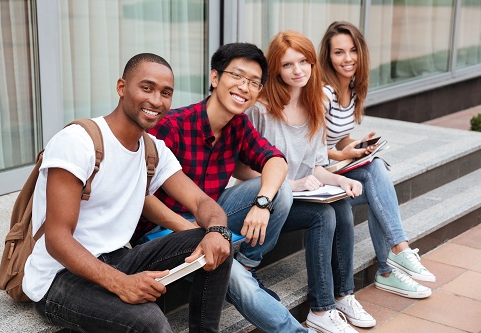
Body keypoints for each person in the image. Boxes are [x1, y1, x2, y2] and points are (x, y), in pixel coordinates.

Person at [22, 53, 233, 333]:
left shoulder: (153, 150)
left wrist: (218, 230)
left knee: (218, 242)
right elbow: (57, 239)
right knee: (150, 321)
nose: (157, 101)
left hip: (118, 258)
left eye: (165, 93)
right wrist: (121, 283)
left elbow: (201, 201)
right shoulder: (78, 142)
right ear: (122, 88)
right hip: (59, 277)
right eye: (147, 88)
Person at [134, 42, 293, 303]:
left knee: (280, 191)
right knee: (234, 278)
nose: (244, 86)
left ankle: (247, 265)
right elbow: (140, 196)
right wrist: (194, 232)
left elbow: (276, 160)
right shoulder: (171, 126)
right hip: (159, 232)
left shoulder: (238, 124)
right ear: (215, 77)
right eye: (238, 76)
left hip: (210, 216)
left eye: (254, 82)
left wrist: (262, 204)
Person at [239, 30, 375, 333]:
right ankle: (321, 309)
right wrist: (289, 184)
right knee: (324, 215)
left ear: (313, 64)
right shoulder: (260, 109)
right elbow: (241, 169)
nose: (298, 70)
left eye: (304, 61)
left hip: (299, 197)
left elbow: (316, 167)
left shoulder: (315, 106)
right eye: (288, 65)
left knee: (340, 205)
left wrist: (339, 181)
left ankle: (343, 296)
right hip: (265, 203)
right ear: (275, 68)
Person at [318, 21, 436, 299]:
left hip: (334, 172)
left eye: (352, 50)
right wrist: (343, 155)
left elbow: (340, 138)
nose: (347, 59)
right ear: (328, 57)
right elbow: (312, 148)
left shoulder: (354, 89)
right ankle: (395, 257)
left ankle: (390, 266)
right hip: (317, 181)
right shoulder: (325, 93)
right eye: (338, 52)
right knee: (377, 174)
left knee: (377, 175)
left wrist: (356, 145)